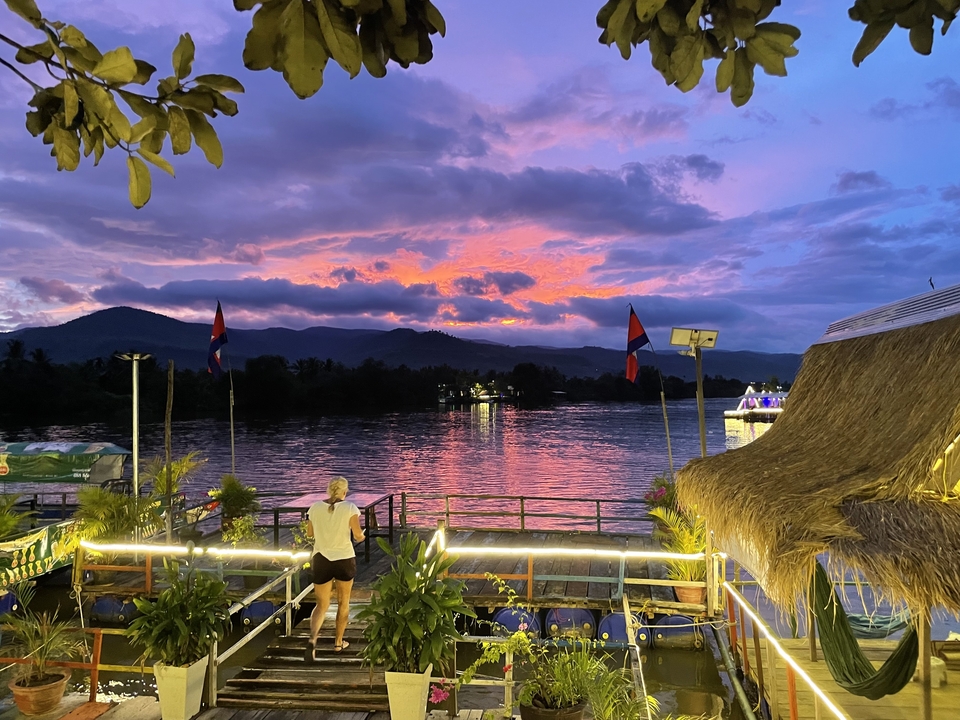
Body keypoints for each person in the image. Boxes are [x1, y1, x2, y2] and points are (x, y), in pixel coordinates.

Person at [305, 476, 364, 659]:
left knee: (321, 605)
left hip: (321, 559)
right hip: (344, 559)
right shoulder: (349, 508)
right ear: (344, 492)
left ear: (329, 490)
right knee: (343, 602)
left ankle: (312, 640)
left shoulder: (315, 508)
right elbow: (357, 535)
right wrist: (362, 537)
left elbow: (310, 533)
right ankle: (338, 643)